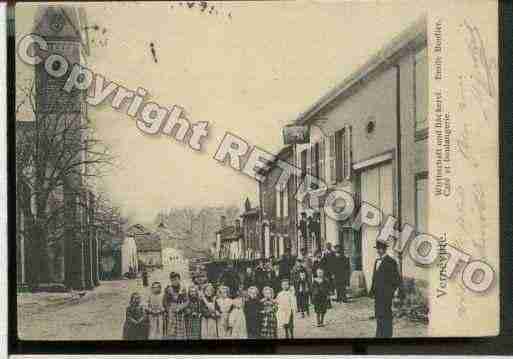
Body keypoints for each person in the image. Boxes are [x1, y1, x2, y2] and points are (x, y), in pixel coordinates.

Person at [369, 241, 400, 338]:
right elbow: (374, 277)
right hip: (378, 293)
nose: (378, 251)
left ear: (384, 249)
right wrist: (372, 290)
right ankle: (379, 334)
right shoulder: (376, 261)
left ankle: (387, 335)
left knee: (386, 314)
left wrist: (390, 293)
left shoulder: (391, 261)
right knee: (378, 314)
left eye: (380, 248)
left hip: (386, 294)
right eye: (377, 249)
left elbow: (396, 279)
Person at [163, 272, 188, 339]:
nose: (175, 281)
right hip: (171, 311)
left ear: (179, 279)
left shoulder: (183, 288)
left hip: (180, 309)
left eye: (176, 279)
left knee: (180, 329)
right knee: (171, 329)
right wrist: (168, 310)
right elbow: (165, 301)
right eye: (173, 280)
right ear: (171, 280)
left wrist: (181, 307)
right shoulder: (168, 289)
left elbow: (186, 301)